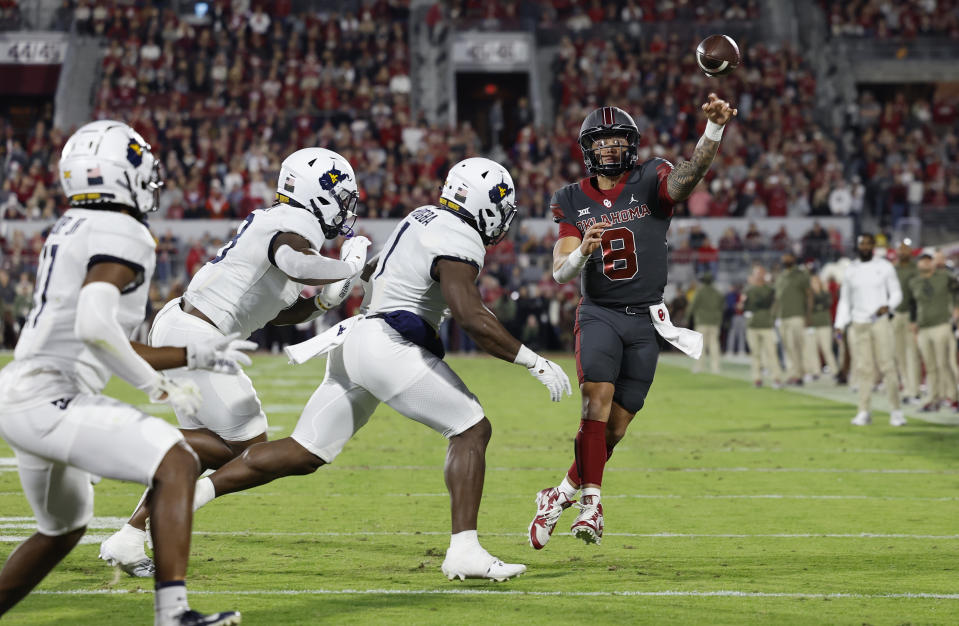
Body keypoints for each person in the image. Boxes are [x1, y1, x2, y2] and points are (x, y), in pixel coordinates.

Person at [189, 158, 571, 581]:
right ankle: (464, 549)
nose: (503, 216)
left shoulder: (421, 217)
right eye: (501, 204)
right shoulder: (459, 235)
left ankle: (190, 494)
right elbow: (470, 315)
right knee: (471, 428)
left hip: (355, 339)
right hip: (387, 344)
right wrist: (532, 359)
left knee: (305, 451)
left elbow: (371, 273)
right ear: (482, 203)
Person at [0, 121, 242, 625]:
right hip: (50, 397)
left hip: (22, 393)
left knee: (63, 528)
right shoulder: (124, 230)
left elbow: (106, 337)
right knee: (176, 461)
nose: (150, 173)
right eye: (139, 163)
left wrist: (193, 357)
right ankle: (173, 614)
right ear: (116, 173)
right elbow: (94, 324)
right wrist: (156, 385)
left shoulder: (75, 223)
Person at [99, 147, 371, 577]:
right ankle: (126, 453)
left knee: (207, 446)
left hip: (188, 325)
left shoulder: (284, 225)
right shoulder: (292, 226)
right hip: (197, 333)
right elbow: (297, 263)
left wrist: (320, 301)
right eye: (340, 195)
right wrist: (349, 264)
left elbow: (277, 311)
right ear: (313, 193)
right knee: (248, 447)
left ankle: (130, 535)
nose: (345, 207)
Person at [530, 97, 731, 549]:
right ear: (588, 149)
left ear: (632, 145)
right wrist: (582, 252)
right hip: (599, 311)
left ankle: (559, 494)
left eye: (618, 140)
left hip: (647, 319)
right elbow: (560, 270)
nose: (610, 149)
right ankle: (592, 504)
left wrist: (713, 131)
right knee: (594, 402)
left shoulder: (649, 178)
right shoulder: (570, 198)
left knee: (615, 429)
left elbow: (687, 179)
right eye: (602, 142)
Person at [833, 233, 905, 426]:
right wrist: (839, 324)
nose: (864, 246)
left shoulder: (884, 266)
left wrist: (888, 306)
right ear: (857, 246)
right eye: (861, 243)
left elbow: (897, 292)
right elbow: (845, 300)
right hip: (858, 323)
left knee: (887, 366)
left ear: (873, 246)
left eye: (867, 243)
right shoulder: (851, 270)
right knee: (863, 369)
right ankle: (864, 411)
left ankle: (896, 411)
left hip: (879, 321)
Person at [909, 251, 959, 412]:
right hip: (923, 328)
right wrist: (913, 321)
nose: (925, 264)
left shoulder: (945, 277)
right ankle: (933, 398)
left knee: (944, 364)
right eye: (922, 261)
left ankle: (954, 398)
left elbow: (957, 289)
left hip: (941, 325)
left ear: (932, 263)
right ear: (918, 264)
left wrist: (957, 307)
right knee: (930, 366)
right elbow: (913, 303)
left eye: (927, 261)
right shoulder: (914, 282)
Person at [773, 252, 812, 384]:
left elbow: (809, 295)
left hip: (797, 314)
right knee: (787, 347)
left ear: (794, 259)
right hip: (783, 316)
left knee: (799, 346)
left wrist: (808, 315)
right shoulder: (781, 276)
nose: (785, 259)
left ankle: (802, 372)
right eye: (784, 256)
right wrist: (774, 315)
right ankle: (793, 374)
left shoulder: (801, 275)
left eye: (788, 256)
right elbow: (777, 298)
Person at [743, 264, 783, 388]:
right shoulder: (749, 289)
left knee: (771, 352)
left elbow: (773, 304)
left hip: (766, 324)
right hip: (753, 325)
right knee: (755, 353)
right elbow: (743, 306)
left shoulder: (769, 290)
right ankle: (757, 378)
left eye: (760, 273)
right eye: (756, 273)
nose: (759, 276)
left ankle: (776, 378)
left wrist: (773, 318)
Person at [893, 241, 921, 403]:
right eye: (900, 249)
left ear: (911, 251)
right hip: (895, 314)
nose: (902, 251)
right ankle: (907, 388)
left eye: (905, 249)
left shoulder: (915, 269)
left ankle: (915, 390)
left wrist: (915, 318)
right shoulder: (892, 270)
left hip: (911, 315)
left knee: (912, 354)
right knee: (899, 354)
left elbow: (917, 296)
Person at [802, 274, 839, 377]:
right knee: (812, 349)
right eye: (813, 282)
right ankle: (815, 371)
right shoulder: (808, 295)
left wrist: (817, 304)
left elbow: (827, 304)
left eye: (816, 282)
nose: (815, 284)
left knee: (827, 349)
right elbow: (808, 307)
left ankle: (834, 370)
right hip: (811, 325)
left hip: (824, 324)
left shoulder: (825, 293)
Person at [689, 272, 723, 374]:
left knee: (701, 346)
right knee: (714, 345)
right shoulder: (717, 293)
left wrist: (687, 317)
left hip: (702, 321)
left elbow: (693, 305)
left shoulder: (700, 292)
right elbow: (722, 307)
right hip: (714, 322)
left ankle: (699, 367)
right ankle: (715, 368)